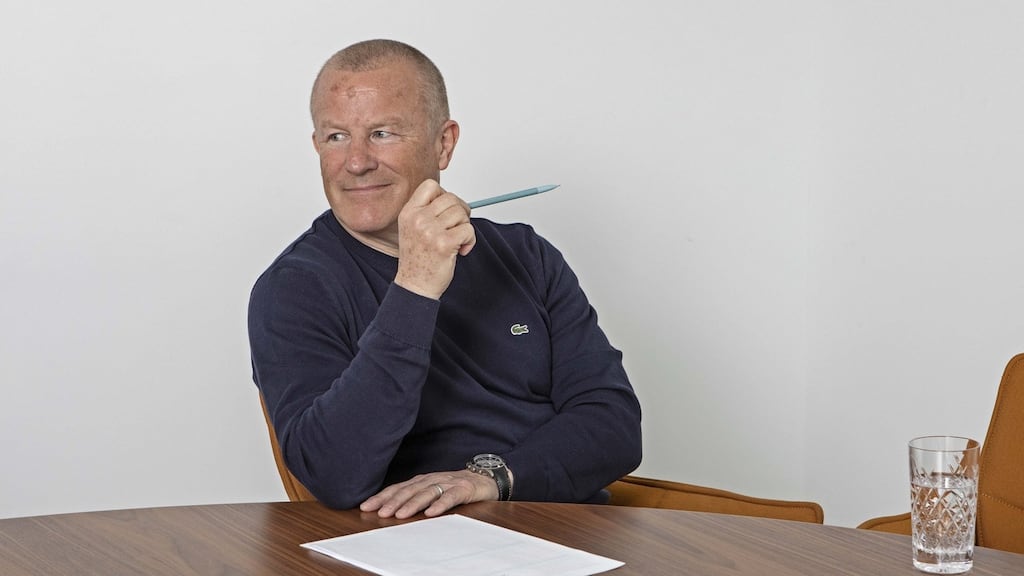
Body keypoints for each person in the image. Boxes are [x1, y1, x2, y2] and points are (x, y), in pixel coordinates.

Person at [248, 39, 642, 519]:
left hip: (567, 524)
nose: (356, 162)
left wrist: (492, 478)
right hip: (419, 541)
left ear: (444, 143)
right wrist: (414, 287)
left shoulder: (524, 253)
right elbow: (333, 472)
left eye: (382, 133)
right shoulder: (294, 289)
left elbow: (615, 427)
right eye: (336, 137)